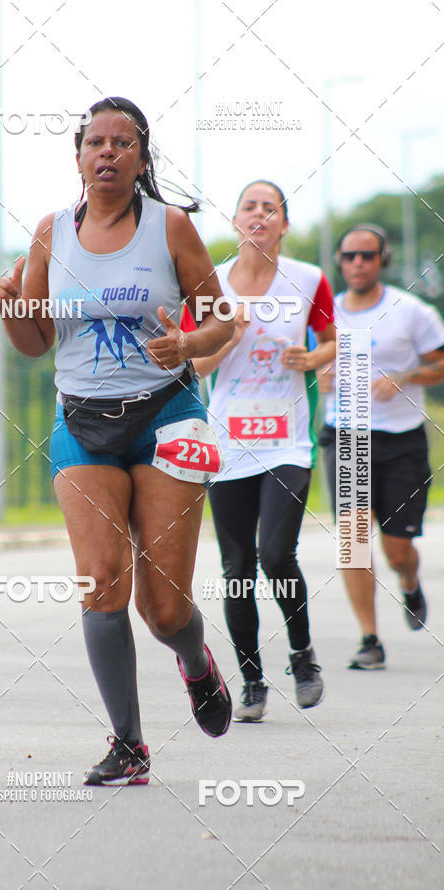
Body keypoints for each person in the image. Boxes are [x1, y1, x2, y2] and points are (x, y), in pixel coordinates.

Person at [0, 97, 234, 786]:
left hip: (166, 417)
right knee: (100, 584)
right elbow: (35, 342)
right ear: (78, 157)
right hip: (82, 422)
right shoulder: (50, 234)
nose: (108, 154)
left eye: (123, 144)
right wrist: (11, 309)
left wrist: (187, 341)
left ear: (142, 159)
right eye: (96, 142)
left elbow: (223, 323)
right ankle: (129, 744)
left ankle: (194, 660)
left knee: (163, 609)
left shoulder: (170, 228)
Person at [183, 180, 336, 721]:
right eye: (249, 206)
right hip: (228, 444)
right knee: (238, 568)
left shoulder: (310, 280)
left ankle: (303, 656)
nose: (259, 215)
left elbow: (334, 341)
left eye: (270, 208)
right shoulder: (211, 285)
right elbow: (188, 367)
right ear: (235, 220)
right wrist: (223, 339)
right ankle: (251, 680)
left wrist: (313, 360)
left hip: (288, 441)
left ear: (284, 224)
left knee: (276, 554)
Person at [318, 224, 444, 669]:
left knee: (396, 550)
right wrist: (320, 376)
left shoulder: (412, 312)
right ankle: (369, 639)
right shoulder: (325, 313)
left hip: (401, 441)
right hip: (347, 437)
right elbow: (309, 364)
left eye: (366, 256)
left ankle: (409, 581)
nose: (357, 263)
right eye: (349, 255)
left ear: (382, 259)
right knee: (352, 541)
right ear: (339, 260)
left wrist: (406, 377)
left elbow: (439, 365)